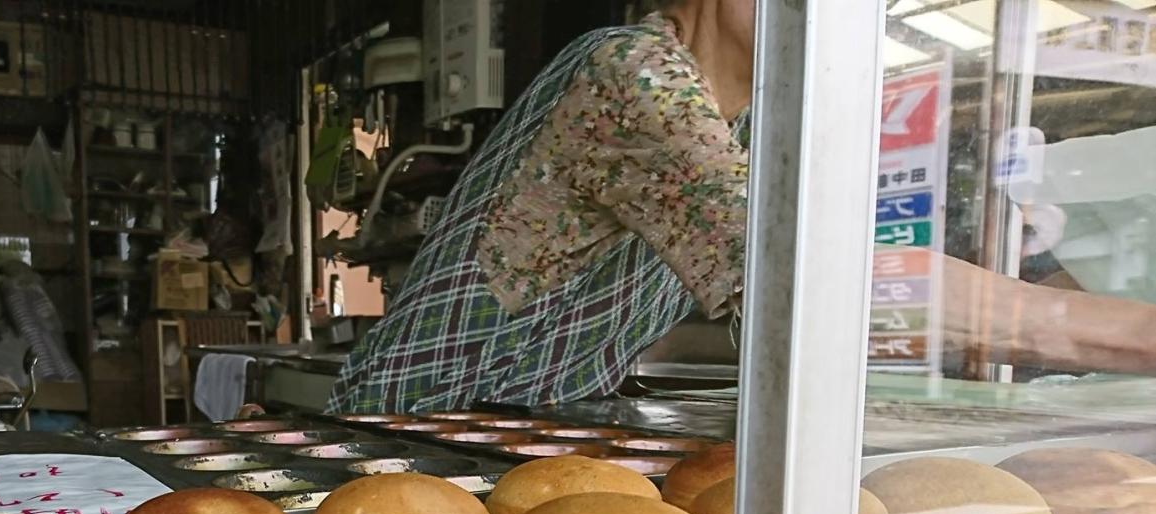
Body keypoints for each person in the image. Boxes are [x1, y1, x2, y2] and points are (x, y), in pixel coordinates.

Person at [326, 0, 1156, 414]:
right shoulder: (632, 74)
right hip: (416, 430)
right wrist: (1132, 336)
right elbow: (814, 279)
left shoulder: (751, 119)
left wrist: (1060, 288)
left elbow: (873, 242)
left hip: (527, 423)